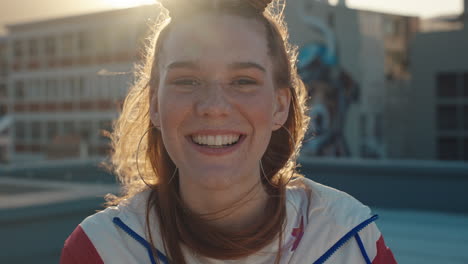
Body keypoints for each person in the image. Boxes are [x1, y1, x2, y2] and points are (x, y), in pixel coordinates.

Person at [60, 0, 396, 263]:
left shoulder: (348, 239)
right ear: (156, 106)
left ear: (280, 106)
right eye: (187, 80)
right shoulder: (101, 250)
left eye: (243, 81)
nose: (213, 106)